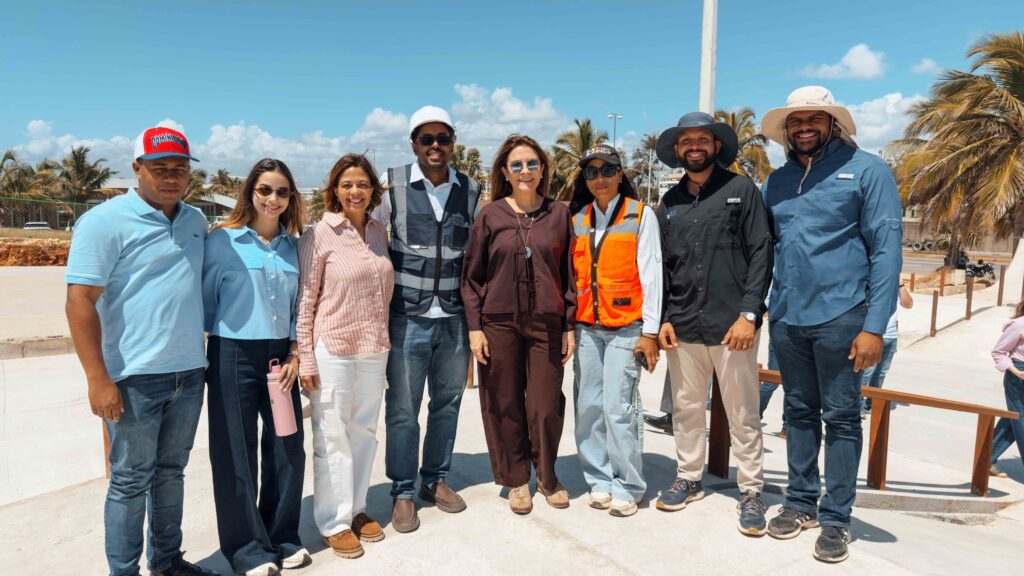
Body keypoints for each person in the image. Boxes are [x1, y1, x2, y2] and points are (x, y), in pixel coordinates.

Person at [760, 86, 903, 563]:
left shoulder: (868, 171)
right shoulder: (776, 181)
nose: (804, 128)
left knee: (841, 417)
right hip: (787, 317)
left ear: (832, 124)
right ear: (786, 130)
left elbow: (886, 251)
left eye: (814, 120)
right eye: (795, 122)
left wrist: (875, 326)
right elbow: (766, 249)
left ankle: (836, 518)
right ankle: (800, 502)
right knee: (797, 413)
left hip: (844, 317)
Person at [65, 126, 216, 576]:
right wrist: (98, 378)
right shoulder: (104, 221)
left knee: (171, 474)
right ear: (137, 168)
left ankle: (168, 562)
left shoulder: (194, 221)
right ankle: (124, 571)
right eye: (160, 168)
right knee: (130, 482)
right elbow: (79, 301)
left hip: (189, 374)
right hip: (133, 379)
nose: (171, 177)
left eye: (180, 169)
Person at [653, 112, 774, 536]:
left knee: (743, 412)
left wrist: (749, 315)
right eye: (687, 142)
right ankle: (688, 477)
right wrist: (663, 318)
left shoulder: (743, 190)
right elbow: (662, 268)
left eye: (702, 139)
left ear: (716, 145)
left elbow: (762, 253)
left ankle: (752, 491)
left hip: (732, 327)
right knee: (686, 410)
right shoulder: (668, 204)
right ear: (679, 150)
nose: (694, 147)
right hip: (683, 324)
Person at [373, 106, 482, 532]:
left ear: (453, 143)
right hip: (407, 318)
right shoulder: (392, 187)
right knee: (402, 409)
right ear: (413, 143)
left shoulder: (470, 189)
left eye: (443, 138)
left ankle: (434, 479)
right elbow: (368, 239)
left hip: (453, 318)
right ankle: (401, 490)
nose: (435, 146)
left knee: (448, 404)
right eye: (426, 139)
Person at [202, 158, 308, 576]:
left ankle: (282, 536)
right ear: (251, 193)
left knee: (287, 448)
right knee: (235, 454)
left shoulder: (295, 247)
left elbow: (301, 305)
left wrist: (296, 354)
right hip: (232, 355)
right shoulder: (222, 241)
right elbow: (207, 301)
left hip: (281, 358)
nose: (273, 199)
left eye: (282, 191)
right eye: (265, 190)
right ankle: (247, 549)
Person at [461, 134, 576, 514]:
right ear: (505, 173)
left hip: (547, 324)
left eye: (532, 164)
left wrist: (570, 325)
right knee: (504, 401)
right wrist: (475, 327)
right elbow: (473, 276)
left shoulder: (558, 214)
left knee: (544, 404)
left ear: (542, 169)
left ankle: (546, 475)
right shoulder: (490, 215)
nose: (525, 171)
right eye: (517, 165)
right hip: (499, 323)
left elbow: (568, 273)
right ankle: (515, 480)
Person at [297, 154, 393, 559]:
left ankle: (355, 509)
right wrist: (306, 356)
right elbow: (305, 300)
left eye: (363, 184)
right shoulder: (318, 234)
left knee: (364, 432)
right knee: (332, 436)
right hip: (332, 348)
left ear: (373, 190)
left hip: (374, 347)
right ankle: (332, 522)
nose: (356, 191)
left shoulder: (377, 231)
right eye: (347, 184)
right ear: (334, 189)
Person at [567, 144, 661, 517]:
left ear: (621, 174)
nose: (600, 178)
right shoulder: (578, 220)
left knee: (618, 407)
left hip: (626, 328)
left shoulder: (641, 215)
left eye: (608, 170)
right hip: (588, 328)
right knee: (588, 406)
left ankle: (628, 483)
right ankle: (599, 478)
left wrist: (650, 332)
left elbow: (653, 275)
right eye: (592, 172)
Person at [860, 284, 914, 416]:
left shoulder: (895, 284)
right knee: (866, 373)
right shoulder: (874, 281)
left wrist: (900, 285)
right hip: (873, 334)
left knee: (880, 373)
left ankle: (870, 404)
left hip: (890, 336)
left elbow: (908, 304)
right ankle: (857, 407)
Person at [989, 300, 1024, 478]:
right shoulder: (1018, 325)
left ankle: (985, 459)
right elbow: (998, 352)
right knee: (1020, 418)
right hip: (1019, 376)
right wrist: (1016, 372)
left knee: (1013, 419)